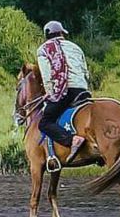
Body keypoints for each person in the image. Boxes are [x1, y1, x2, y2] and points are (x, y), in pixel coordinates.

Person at [37, 20, 91, 169]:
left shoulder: (43, 50)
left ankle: (71, 140)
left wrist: (49, 94)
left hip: (65, 91)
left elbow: (47, 77)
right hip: (82, 90)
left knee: (45, 122)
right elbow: (86, 72)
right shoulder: (76, 47)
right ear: (62, 33)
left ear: (47, 35)